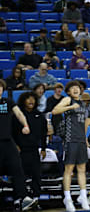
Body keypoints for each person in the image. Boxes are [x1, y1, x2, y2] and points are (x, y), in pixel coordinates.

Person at [52, 81, 90, 211]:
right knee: (69, 170)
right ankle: (67, 198)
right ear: (68, 91)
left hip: (81, 140)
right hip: (70, 140)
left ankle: (83, 196)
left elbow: (83, 124)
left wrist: (85, 139)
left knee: (82, 169)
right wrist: (69, 107)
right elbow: (55, 111)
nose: (75, 90)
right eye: (72, 88)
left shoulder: (83, 104)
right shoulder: (67, 99)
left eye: (77, 88)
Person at [0, 81, 37, 212]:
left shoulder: (8, 102)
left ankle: (22, 198)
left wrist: (25, 125)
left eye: (0, 88)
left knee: (17, 169)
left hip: (7, 142)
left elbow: (19, 114)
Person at [12, 92, 46, 208]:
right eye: (28, 99)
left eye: (33, 99)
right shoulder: (17, 115)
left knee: (36, 175)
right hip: (20, 150)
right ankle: (18, 199)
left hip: (34, 149)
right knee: (19, 175)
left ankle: (35, 198)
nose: (31, 101)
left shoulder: (40, 115)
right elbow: (11, 131)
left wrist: (44, 148)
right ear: (23, 101)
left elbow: (43, 133)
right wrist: (15, 145)